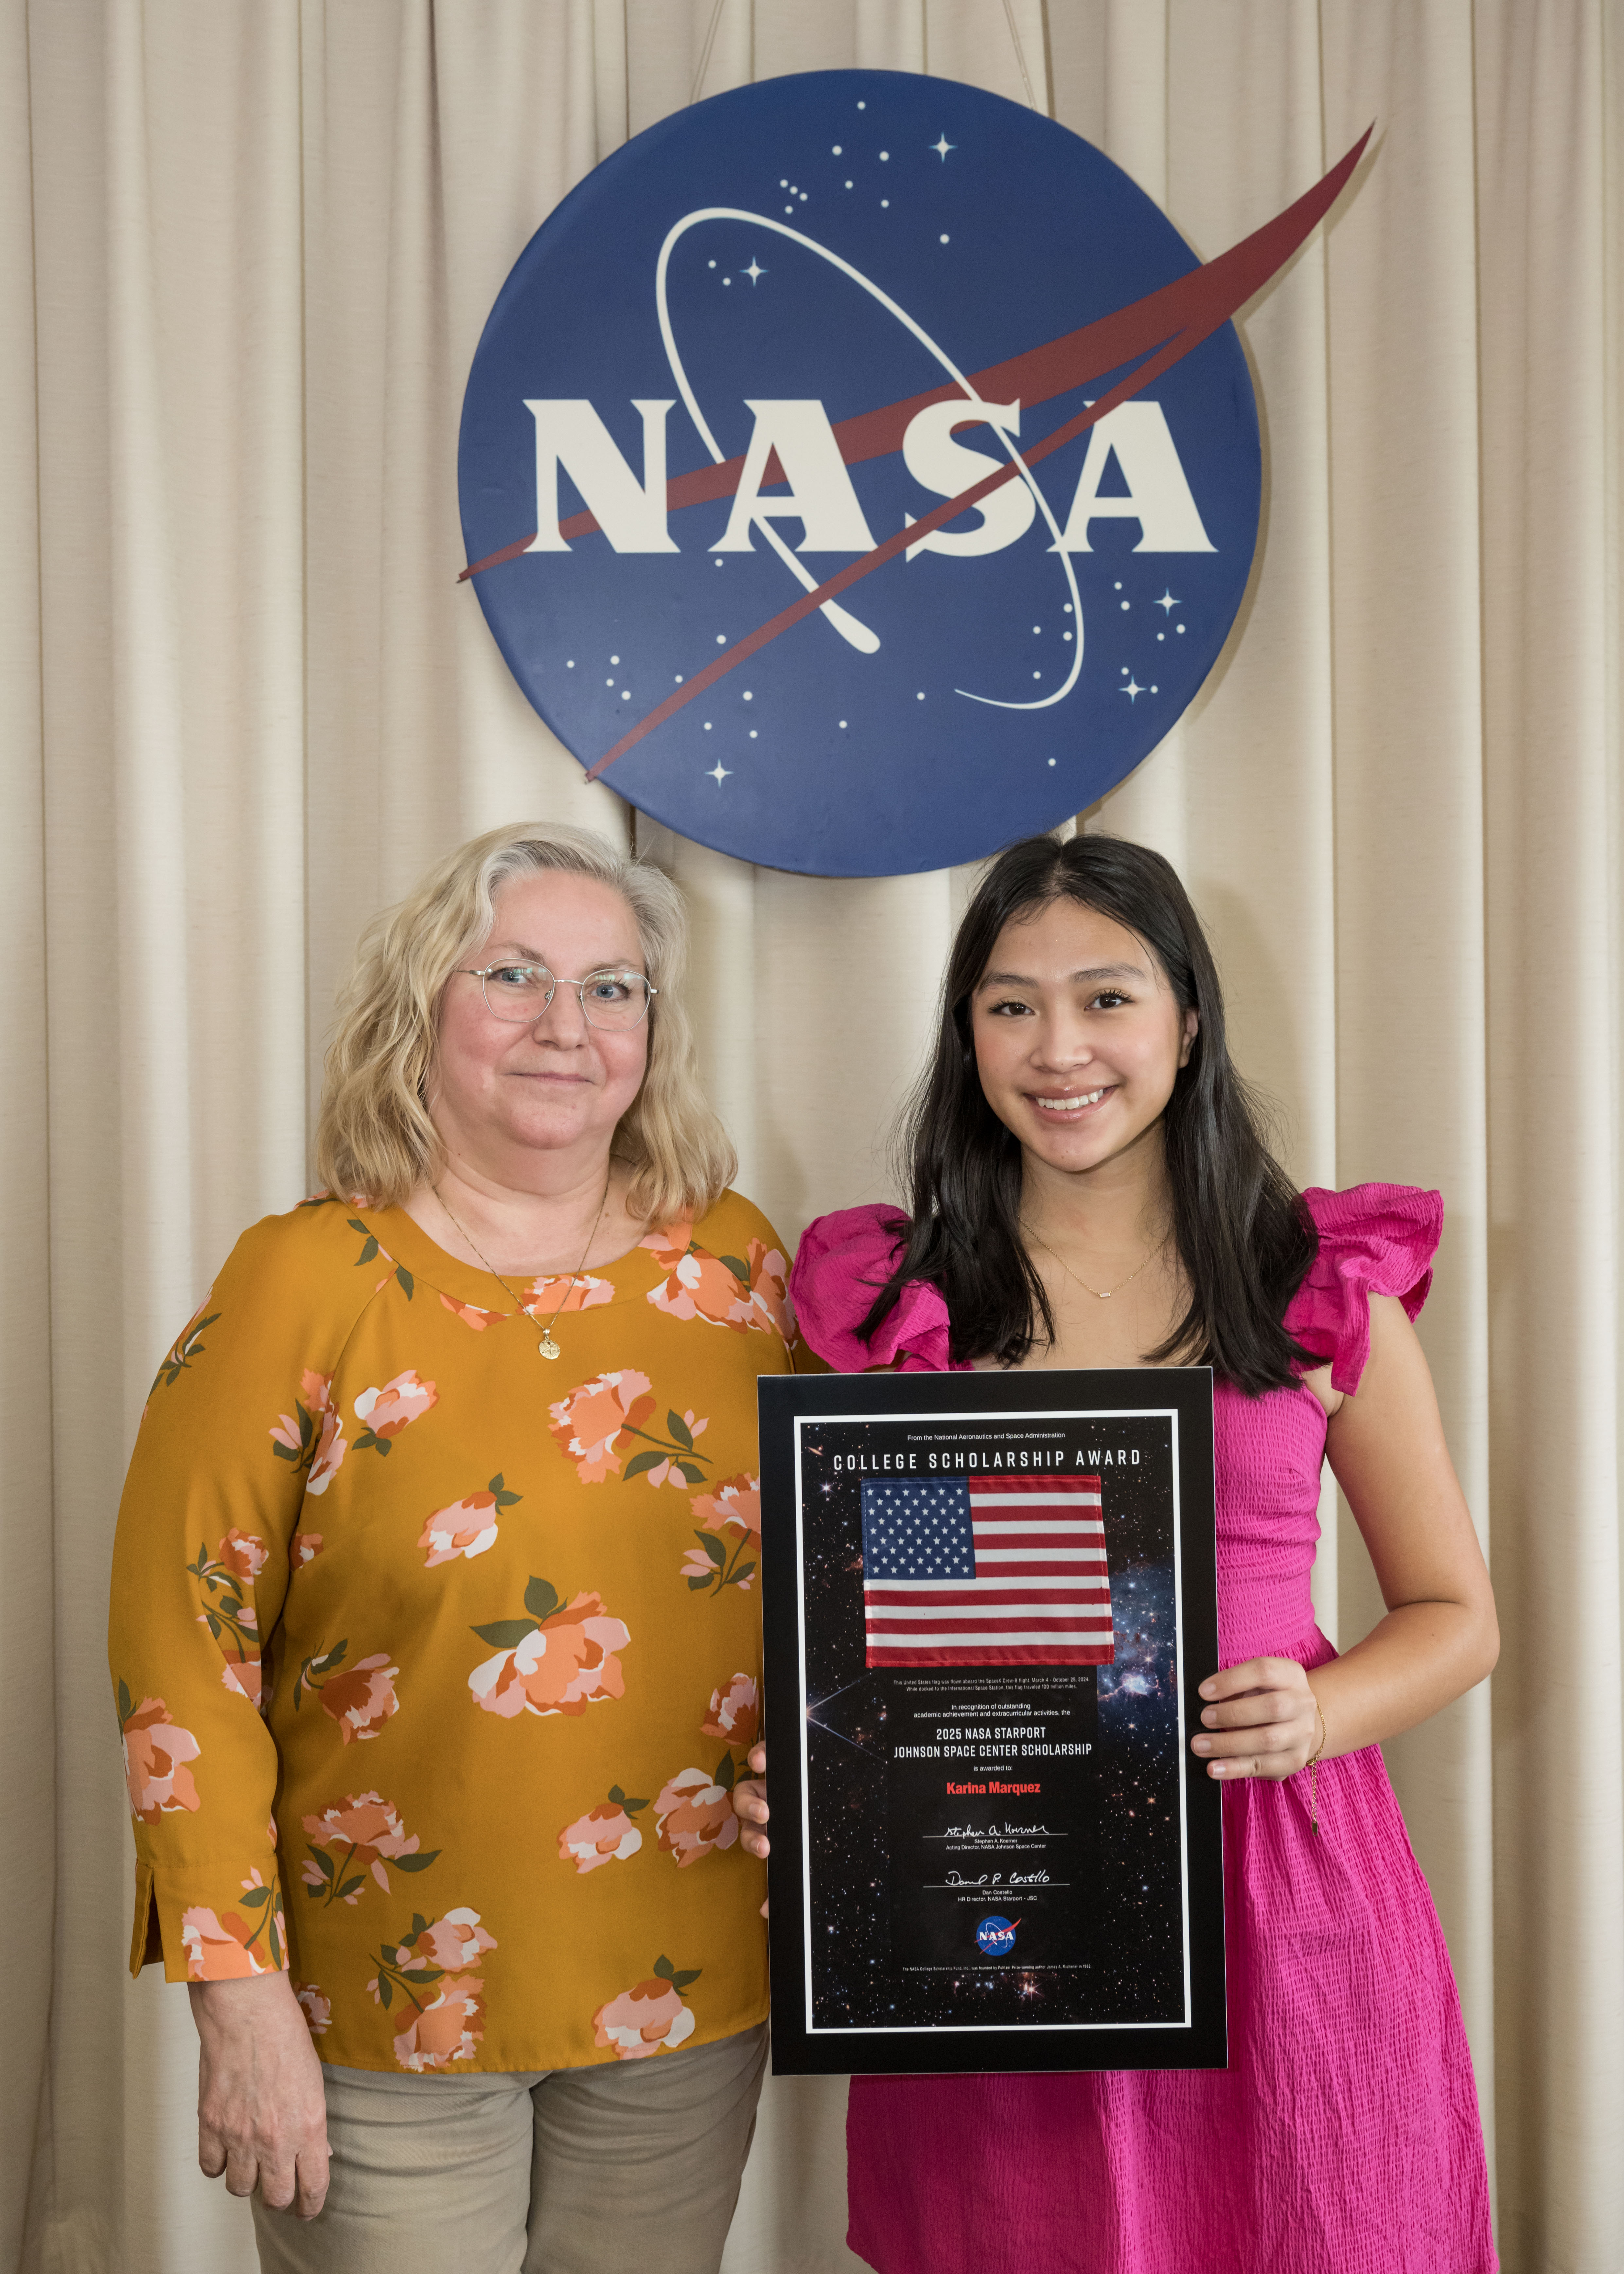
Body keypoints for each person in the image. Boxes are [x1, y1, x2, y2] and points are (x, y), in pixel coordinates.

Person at [771, 832, 1498, 2274]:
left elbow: (1452, 1616)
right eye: (1008, 1003)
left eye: (1105, 999)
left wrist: (1319, 1708)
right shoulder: (899, 1303)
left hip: (1275, 1875)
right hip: (993, 1873)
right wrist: (817, 1780)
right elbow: (862, 1637)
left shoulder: (1312, 1283)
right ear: (964, 1031)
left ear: (1185, 1019)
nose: (1058, 1049)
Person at [108, 820, 795, 2274]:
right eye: (513, 976)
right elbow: (184, 1650)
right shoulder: (302, 1278)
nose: (566, 1025)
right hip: (376, 2008)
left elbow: (832, 1574)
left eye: (612, 987)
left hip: (685, 1984)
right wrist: (234, 1996)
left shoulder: (736, 1267)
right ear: (419, 1011)